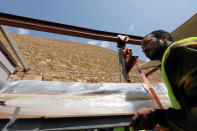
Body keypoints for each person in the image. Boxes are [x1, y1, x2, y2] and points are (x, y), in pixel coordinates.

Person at [130, 30, 197, 131]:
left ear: (164, 38)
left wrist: (156, 116)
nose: (144, 50)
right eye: (142, 49)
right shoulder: (176, 54)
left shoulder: (178, 52)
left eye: (146, 43)